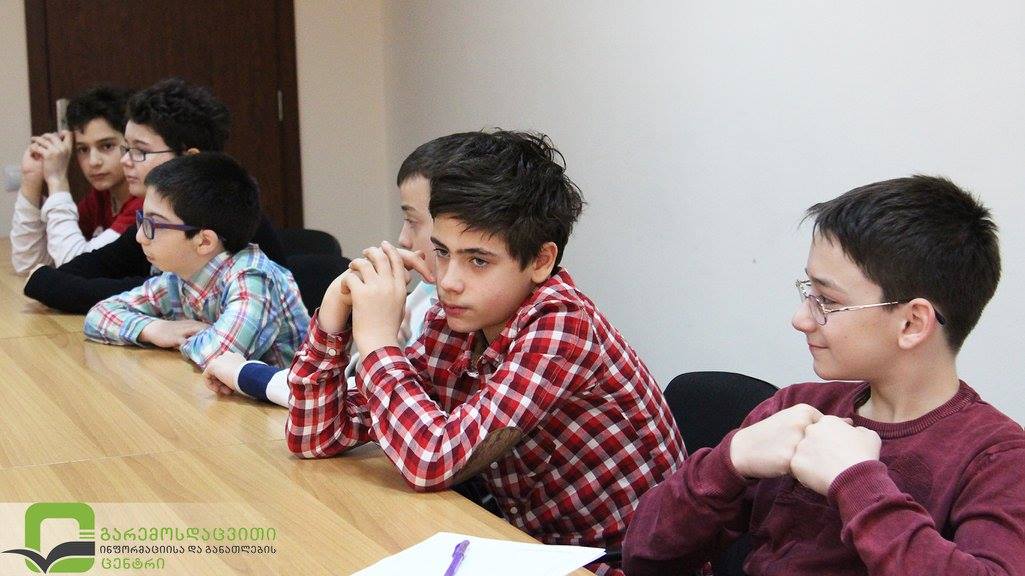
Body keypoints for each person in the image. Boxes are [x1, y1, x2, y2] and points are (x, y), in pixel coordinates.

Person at [286, 130, 685, 576]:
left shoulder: (561, 325)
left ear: (540, 261)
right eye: (442, 252)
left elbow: (431, 460)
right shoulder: (457, 319)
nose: (448, 281)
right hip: (527, 550)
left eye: (478, 260)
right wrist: (332, 322)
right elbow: (315, 436)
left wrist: (379, 344)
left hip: (618, 567)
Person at [621, 176, 1025, 576]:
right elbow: (642, 555)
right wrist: (729, 461)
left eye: (827, 301)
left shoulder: (997, 457)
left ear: (911, 323)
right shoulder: (796, 408)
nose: (801, 319)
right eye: (808, 293)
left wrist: (857, 483)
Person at [201, 132, 482, 405]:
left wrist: (247, 375)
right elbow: (355, 390)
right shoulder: (425, 294)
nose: (403, 239)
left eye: (412, 221)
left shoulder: (458, 309)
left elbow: (385, 402)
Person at [22, 78, 286, 313]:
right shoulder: (159, 217)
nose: (125, 161)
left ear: (190, 158)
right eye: (126, 148)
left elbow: (154, 296)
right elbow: (74, 273)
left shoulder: (226, 222)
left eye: (140, 151)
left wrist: (46, 281)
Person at [84, 153, 309, 369]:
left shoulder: (252, 278)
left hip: (280, 396)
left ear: (204, 241)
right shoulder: (177, 277)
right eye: (142, 220)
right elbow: (98, 315)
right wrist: (155, 329)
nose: (140, 236)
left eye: (153, 225)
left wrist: (184, 340)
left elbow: (217, 356)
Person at [11, 85, 142, 273]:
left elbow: (76, 266)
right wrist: (30, 181)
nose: (93, 161)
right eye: (83, 149)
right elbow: (30, 263)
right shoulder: (101, 197)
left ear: (132, 144)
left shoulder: (143, 203)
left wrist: (57, 181)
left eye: (106, 146)